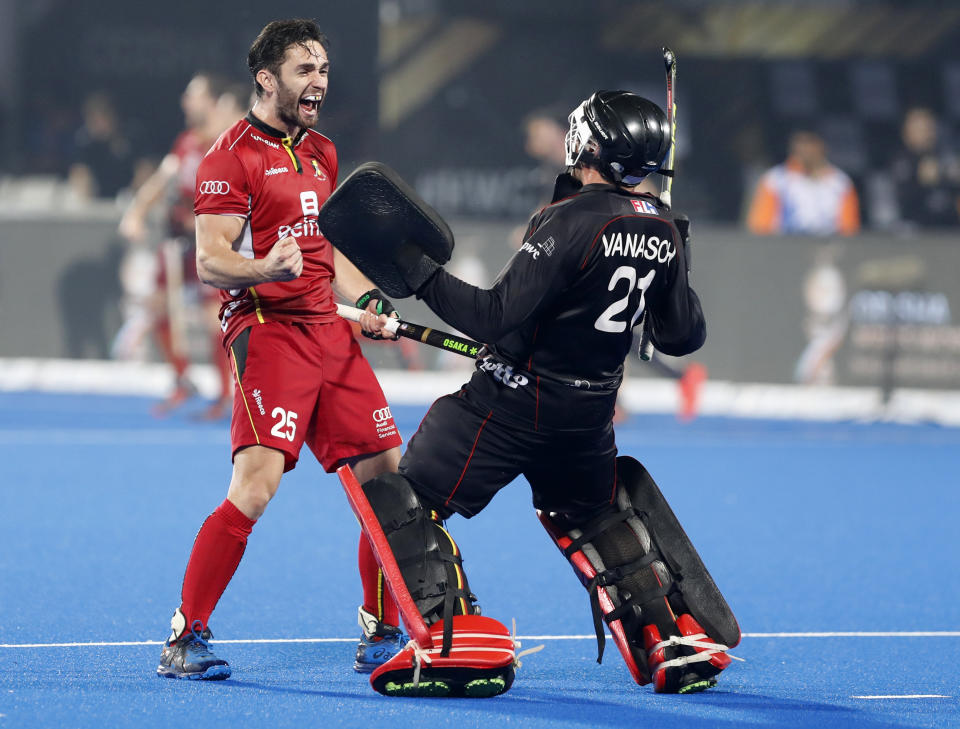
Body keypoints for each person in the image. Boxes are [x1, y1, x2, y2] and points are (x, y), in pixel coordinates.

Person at [353, 91, 733, 695]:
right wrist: (678, 254)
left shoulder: (570, 220)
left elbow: (493, 316)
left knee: (403, 497)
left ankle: (446, 642)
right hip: (587, 420)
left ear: (588, 146)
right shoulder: (662, 227)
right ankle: (667, 637)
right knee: (589, 515)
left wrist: (415, 271)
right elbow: (682, 336)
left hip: (506, 408)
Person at [156, 18, 405, 680]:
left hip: (331, 332)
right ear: (266, 79)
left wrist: (371, 300)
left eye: (323, 68)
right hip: (267, 332)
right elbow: (211, 261)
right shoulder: (228, 158)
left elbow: (327, 252)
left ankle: (380, 629)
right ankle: (186, 635)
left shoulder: (322, 151)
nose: (318, 81)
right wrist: (266, 268)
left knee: (389, 476)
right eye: (304, 69)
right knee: (257, 486)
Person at [117, 72, 237, 417]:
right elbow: (162, 179)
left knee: (214, 318)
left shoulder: (228, 144)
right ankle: (183, 378)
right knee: (157, 309)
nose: (186, 102)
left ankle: (226, 395)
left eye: (193, 95)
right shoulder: (186, 143)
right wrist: (137, 212)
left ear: (214, 102)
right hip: (180, 242)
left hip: (211, 243)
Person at [747, 130, 860, 236]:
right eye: (799, 143)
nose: (804, 149)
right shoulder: (775, 179)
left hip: (828, 250)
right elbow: (760, 227)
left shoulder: (840, 182)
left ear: (821, 146)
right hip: (783, 248)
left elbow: (849, 229)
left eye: (809, 143)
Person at [890, 107, 960, 228]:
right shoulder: (902, 161)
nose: (926, 133)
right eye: (919, 129)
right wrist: (925, 179)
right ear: (907, 132)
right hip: (918, 230)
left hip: (949, 228)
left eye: (928, 128)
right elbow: (904, 200)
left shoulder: (944, 155)